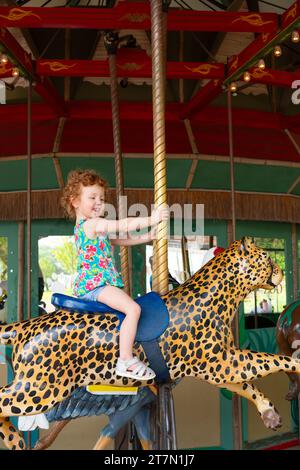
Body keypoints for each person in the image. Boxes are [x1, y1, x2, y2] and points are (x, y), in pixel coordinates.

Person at [61, 169, 169, 381]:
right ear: (74, 201)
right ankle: (126, 360)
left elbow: (119, 239)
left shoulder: (88, 227)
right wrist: (152, 218)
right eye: (92, 197)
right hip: (96, 286)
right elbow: (122, 225)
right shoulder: (92, 224)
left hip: (94, 285)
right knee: (133, 309)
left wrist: (147, 237)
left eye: (101, 198)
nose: (98, 203)